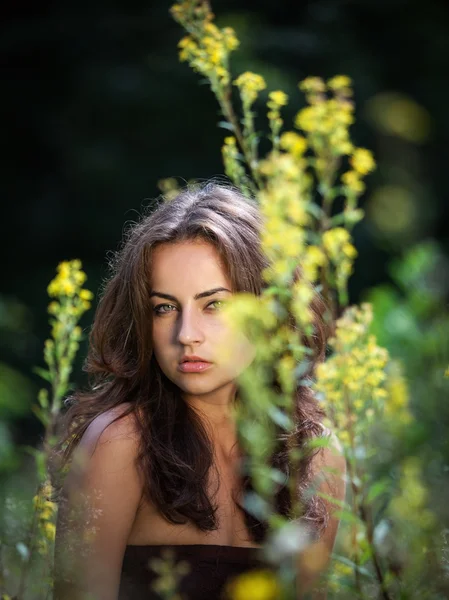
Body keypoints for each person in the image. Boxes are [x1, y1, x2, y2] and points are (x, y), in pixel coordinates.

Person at [52, 181, 346, 600]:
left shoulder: (318, 455)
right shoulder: (120, 443)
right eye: (164, 308)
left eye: (215, 305)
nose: (186, 335)